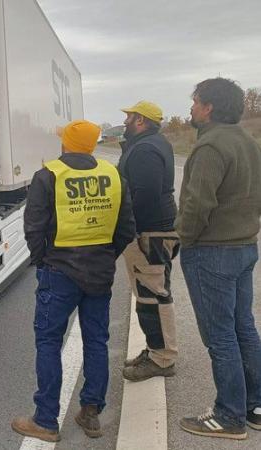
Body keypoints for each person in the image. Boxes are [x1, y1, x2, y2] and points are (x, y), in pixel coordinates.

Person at [12, 120, 136, 442]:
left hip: (59, 273)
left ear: (65, 144)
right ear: (93, 145)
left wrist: (42, 261)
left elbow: (34, 228)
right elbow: (125, 229)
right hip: (99, 272)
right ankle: (91, 412)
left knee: (49, 342)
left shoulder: (48, 175)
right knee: (97, 341)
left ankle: (46, 421)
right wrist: (106, 256)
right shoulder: (112, 175)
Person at [176, 78, 261, 440]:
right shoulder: (248, 142)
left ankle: (229, 416)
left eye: (195, 102)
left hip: (212, 252)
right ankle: (255, 406)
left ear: (209, 107)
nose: (192, 107)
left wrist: (184, 240)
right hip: (244, 246)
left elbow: (198, 205)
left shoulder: (209, 146)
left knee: (220, 335)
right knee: (244, 327)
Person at [117, 101, 180, 382]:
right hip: (154, 230)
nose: (126, 121)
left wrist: (129, 227)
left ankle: (163, 359)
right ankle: (156, 349)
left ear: (140, 120)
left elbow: (146, 193)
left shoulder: (144, 149)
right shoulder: (153, 143)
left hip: (149, 232)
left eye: (129, 117)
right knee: (149, 293)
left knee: (153, 294)